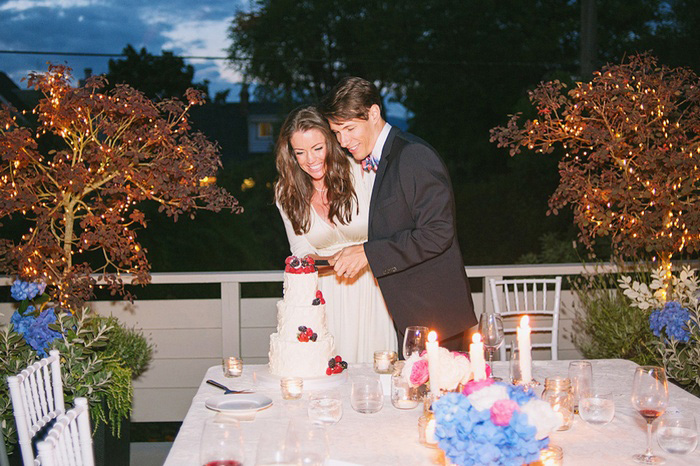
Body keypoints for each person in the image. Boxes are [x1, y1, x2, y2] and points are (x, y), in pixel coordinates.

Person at [320, 77, 477, 351]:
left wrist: (367, 253)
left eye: (348, 128)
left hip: (437, 318)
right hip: (412, 318)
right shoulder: (382, 158)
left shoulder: (413, 155)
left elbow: (438, 233)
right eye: (336, 133)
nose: (343, 141)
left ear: (373, 113)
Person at [274, 105, 398, 363]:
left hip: (374, 292)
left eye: (318, 148)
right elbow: (301, 253)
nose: (311, 160)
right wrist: (337, 260)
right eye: (300, 152)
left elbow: (390, 231)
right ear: (290, 155)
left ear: (331, 142)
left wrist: (363, 254)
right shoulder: (285, 193)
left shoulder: (363, 171)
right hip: (324, 300)